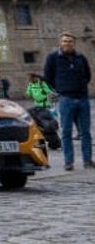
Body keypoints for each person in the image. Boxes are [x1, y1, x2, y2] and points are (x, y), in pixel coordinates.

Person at [43, 31, 93, 171]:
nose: (67, 44)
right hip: (66, 99)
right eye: (65, 41)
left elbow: (88, 75)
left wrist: (80, 86)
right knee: (66, 132)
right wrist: (61, 88)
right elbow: (48, 77)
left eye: (70, 41)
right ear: (60, 43)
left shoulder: (80, 58)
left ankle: (88, 160)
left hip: (82, 98)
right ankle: (69, 162)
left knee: (85, 132)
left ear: (74, 43)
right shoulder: (53, 58)